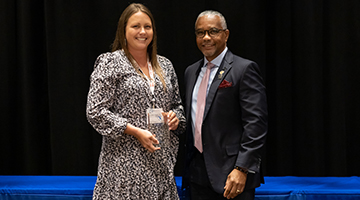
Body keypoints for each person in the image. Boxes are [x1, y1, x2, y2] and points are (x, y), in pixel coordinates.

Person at [86, 3, 185, 200]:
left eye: (147, 27)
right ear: (124, 30)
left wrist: (176, 118)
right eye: (136, 26)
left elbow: (177, 106)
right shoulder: (110, 62)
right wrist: (134, 131)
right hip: (123, 167)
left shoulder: (164, 65)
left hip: (160, 165)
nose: (142, 31)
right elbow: (95, 111)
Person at [182, 10, 268, 200]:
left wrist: (242, 168)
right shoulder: (190, 72)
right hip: (197, 174)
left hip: (233, 176)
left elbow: (256, 125)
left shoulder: (244, 69)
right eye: (200, 32)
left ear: (226, 34)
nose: (206, 37)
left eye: (213, 31)